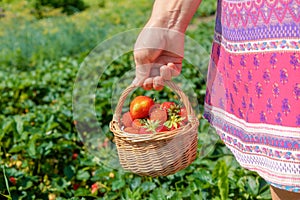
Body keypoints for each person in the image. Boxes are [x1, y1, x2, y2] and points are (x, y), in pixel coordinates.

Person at [132, 0, 300, 199]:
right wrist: (168, 24)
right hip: (275, 23)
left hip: (278, 20)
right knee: (290, 167)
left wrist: (168, 21)